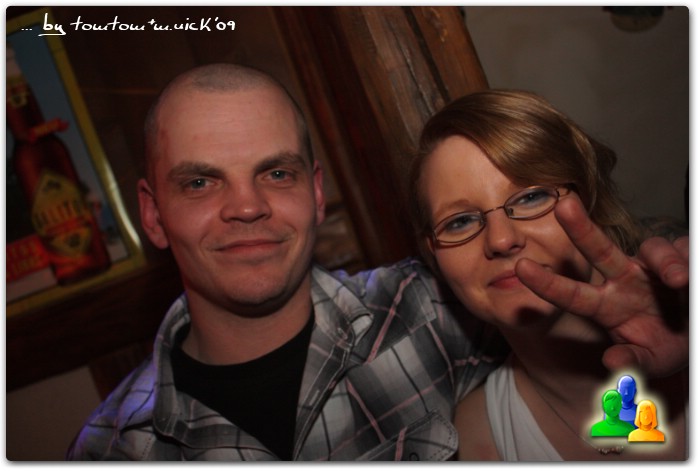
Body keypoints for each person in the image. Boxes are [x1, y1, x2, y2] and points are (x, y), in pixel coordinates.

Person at [67, 65, 688, 461]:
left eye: (276, 173)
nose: (248, 207)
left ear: (316, 192)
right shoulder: (112, 450)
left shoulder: (429, 308)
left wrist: (678, 297)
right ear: (152, 215)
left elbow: (596, 272)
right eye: (201, 183)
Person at [408, 89, 688, 461]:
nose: (501, 240)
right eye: (459, 222)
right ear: (433, 254)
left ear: (589, 198)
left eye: (530, 197)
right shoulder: (477, 441)